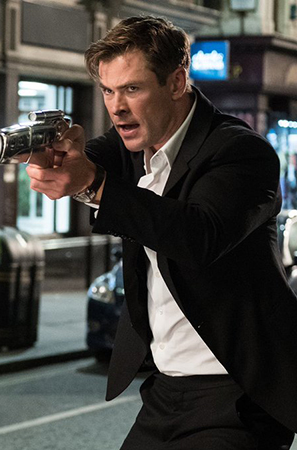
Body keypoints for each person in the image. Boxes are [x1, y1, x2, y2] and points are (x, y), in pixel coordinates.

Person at [25, 15, 297, 449]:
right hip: (166, 390)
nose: (117, 107)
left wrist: (93, 183)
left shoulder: (241, 152)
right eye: (108, 90)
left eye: (132, 89)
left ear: (176, 83)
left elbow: (198, 235)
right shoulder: (130, 146)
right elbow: (85, 163)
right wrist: (58, 158)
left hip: (238, 394)